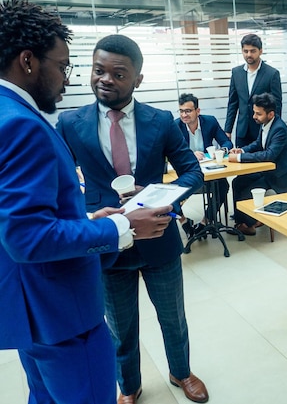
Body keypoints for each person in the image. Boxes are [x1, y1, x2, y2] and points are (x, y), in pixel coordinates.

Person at [0, 0, 172, 404]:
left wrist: (89, 216)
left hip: (33, 311)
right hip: (64, 312)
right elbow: (27, 237)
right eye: (62, 67)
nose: (66, 79)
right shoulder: (24, 126)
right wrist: (122, 226)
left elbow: (20, 216)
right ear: (28, 61)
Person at [56, 35, 209, 404]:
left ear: (137, 79)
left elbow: (192, 173)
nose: (105, 79)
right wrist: (89, 216)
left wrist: (158, 195)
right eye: (98, 70)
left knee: (173, 318)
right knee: (120, 328)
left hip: (159, 237)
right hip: (107, 245)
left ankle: (181, 372)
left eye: (118, 73)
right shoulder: (70, 123)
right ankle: (129, 385)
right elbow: (59, 187)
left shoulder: (160, 121)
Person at [228, 92, 287, 236]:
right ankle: (242, 221)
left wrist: (240, 158)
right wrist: (241, 150)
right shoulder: (266, 124)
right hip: (268, 172)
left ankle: (250, 225)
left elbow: (269, 155)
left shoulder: (279, 128)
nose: (254, 117)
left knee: (248, 190)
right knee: (238, 182)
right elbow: (258, 143)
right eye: (254, 113)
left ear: (271, 114)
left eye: (258, 114)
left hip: (279, 176)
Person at [176, 93, 233, 238]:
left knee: (223, 186)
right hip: (187, 172)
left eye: (188, 111)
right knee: (174, 194)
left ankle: (205, 222)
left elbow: (227, 143)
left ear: (197, 111)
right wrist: (189, 154)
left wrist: (221, 150)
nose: (184, 115)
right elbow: (170, 151)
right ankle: (184, 223)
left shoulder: (210, 122)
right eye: (181, 111)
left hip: (209, 169)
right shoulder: (175, 126)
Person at [224, 33, 282, 148]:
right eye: (245, 51)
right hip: (242, 131)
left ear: (260, 51)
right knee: (241, 162)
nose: (249, 54)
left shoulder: (272, 74)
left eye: (253, 51)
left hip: (262, 130)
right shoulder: (236, 73)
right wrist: (228, 130)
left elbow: (277, 105)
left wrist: (274, 130)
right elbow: (233, 103)